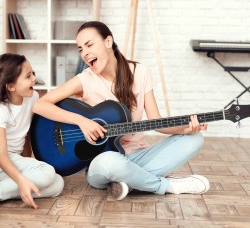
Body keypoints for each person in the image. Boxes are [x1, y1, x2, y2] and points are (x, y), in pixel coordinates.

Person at [33, 21, 209, 201]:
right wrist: (82, 121)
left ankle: (129, 181)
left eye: (89, 45)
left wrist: (185, 129)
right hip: (104, 163)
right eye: (80, 49)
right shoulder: (85, 80)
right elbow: (39, 105)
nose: (84, 53)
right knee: (110, 161)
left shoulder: (140, 72)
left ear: (108, 42)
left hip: (139, 156)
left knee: (194, 139)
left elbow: (157, 122)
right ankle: (166, 185)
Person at [0, 53, 64, 209]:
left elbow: (28, 133)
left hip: (13, 160)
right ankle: (12, 187)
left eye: (33, 73)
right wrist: (22, 180)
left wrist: (28, 162)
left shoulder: (33, 97)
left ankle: (5, 190)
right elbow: (1, 155)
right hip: (3, 159)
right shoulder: (2, 109)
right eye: (28, 76)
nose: (34, 78)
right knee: (47, 171)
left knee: (57, 184)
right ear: (10, 86)